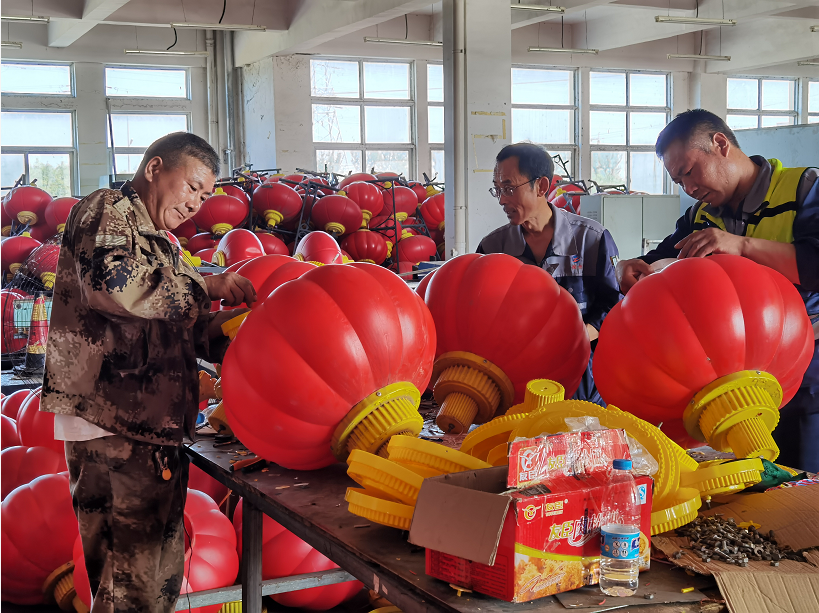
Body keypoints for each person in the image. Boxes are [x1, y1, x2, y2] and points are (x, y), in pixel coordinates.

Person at [40, 132, 257, 613]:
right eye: (192, 187)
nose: (196, 204)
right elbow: (114, 286)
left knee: (155, 580)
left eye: (205, 196)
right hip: (113, 421)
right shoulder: (107, 210)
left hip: (150, 426)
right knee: (127, 584)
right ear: (155, 168)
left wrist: (238, 330)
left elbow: (172, 325)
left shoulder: (161, 246)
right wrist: (206, 284)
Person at [616, 109, 819, 471]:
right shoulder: (700, 215)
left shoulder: (804, 189)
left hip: (802, 371)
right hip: (724, 381)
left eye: (689, 171)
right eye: (678, 181)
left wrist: (740, 246)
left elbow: (815, 265)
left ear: (720, 144)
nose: (689, 188)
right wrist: (627, 267)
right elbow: (658, 260)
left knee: (799, 479)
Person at [477, 142, 621, 404]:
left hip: (581, 381)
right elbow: (481, 315)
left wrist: (578, 337)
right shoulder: (493, 248)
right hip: (516, 381)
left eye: (509, 188)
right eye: (497, 189)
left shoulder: (591, 239)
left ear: (542, 186)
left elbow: (613, 304)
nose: (502, 200)